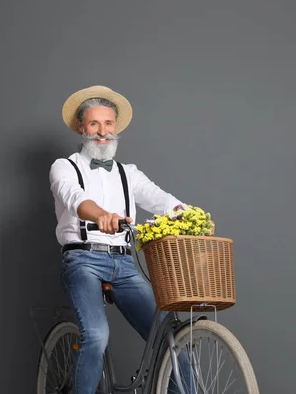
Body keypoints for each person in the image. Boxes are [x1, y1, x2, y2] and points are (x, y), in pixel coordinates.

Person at [49, 85, 191, 393]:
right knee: (97, 336)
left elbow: (160, 199)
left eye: (108, 123)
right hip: (82, 260)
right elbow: (74, 197)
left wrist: (190, 215)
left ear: (117, 128)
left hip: (124, 264)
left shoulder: (129, 173)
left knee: (170, 335)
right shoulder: (65, 167)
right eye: (94, 124)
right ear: (81, 127)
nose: (102, 131)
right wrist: (100, 214)